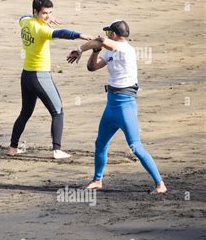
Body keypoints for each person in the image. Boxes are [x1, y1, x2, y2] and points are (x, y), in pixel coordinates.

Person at [66, 20, 167, 194]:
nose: (105, 36)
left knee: (135, 146)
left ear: (113, 35)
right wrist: (95, 51)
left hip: (125, 105)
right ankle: (97, 180)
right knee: (100, 143)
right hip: (111, 105)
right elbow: (92, 67)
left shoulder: (125, 49)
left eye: (108, 33)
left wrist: (81, 49)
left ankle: (160, 184)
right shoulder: (110, 52)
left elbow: (99, 40)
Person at [8, 0, 94, 159]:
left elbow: (22, 17)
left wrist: (46, 18)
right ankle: (57, 150)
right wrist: (80, 35)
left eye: (50, 12)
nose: (48, 16)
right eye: (44, 13)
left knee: (25, 112)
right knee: (58, 111)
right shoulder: (42, 30)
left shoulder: (26, 22)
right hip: (40, 76)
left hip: (26, 75)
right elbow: (61, 33)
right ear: (35, 12)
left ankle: (12, 148)